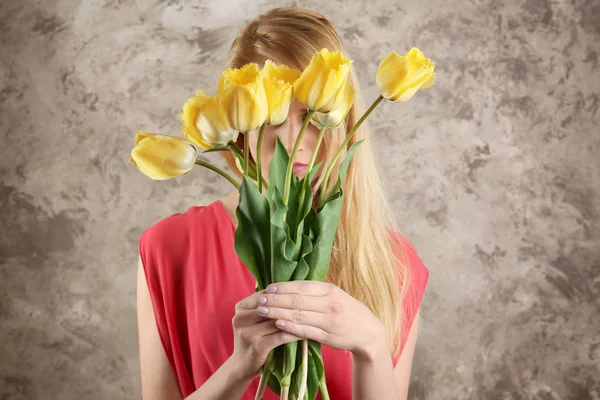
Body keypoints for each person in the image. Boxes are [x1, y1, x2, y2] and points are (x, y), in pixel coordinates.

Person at [136, 7, 430, 400]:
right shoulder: (171, 248)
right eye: (272, 116)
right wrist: (239, 368)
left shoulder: (391, 262)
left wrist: (372, 348)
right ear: (239, 123)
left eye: (313, 114)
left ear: (345, 117)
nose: (292, 141)